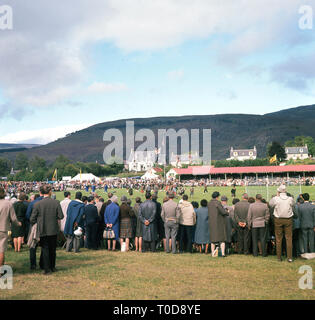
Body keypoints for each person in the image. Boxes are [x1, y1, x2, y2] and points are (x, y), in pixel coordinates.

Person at [30, 185, 64, 274]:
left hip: (42, 229)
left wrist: (38, 223)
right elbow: (61, 216)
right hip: (53, 229)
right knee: (53, 249)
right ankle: (52, 267)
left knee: (45, 249)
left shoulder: (37, 204)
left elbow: (32, 219)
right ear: (50, 192)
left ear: (41, 192)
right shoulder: (56, 202)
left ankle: (47, 269)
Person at [269, 185, 296, 262]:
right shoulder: (290, 199)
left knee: (278, 239)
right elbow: (293, 205)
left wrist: (277, 196)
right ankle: (289, 257)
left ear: (279, 191)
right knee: (289, 238)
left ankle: (279, 257)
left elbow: (270, 205)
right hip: (288, 219)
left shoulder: (276, 199)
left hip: (278, 219)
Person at [0, 187, 21, 269]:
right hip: (3, 229)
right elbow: (13, 218)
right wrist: (18, 224)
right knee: (1, 250)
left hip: (3, 228)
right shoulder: (8, 203)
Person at [26, 192, 44, 270]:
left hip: (34, 225)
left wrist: (32, 222)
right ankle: (42, 263)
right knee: (44, 245)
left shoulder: (32, 203)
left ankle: (33, 265)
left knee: (33, 246)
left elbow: (27, 215)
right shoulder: (45, 202)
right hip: (43, 225)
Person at [208, 191, 229, 257]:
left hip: (211, 222)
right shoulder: (218, 203)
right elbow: (223, 212)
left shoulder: (209, 203)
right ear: (217, 197)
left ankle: (212, 253)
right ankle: (223, 253)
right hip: (219, 222)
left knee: (213, 239)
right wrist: (227, 212)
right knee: (222, 239)